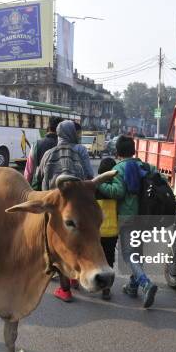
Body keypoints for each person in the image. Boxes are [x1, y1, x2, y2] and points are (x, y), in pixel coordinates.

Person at [97, 135, 159, 309]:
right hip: (146, 216)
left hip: (128, 217)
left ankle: (145, 283)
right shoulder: (145, 166)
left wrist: (99, 183)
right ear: (134, 150)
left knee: (128, 254)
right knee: (137, 251)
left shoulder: (119, 169)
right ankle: (132, 286)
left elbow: (117, 192)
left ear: (117, 152)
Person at [34, 120, 92, 302]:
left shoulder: (48, 153)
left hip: (56, 207)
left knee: (59, 246)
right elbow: (90, 175)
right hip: (78, 207)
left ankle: (65, 290)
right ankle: (76, 276)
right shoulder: (80, 151)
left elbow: (38, 179)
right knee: (79, 241)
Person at [96, 157, 118, 300]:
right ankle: (107, 289)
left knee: (97, 260)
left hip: (97, 232)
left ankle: (96, 283)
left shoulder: (95, 188)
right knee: (109, 260)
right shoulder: (116, 189)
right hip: (112, 232)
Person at [24, 116, 63, 184]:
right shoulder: (66, 146)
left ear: (48, 128)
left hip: (40, 189)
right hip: (60, 189)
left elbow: (29, 172)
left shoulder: (37, 144)